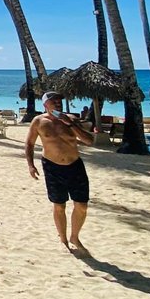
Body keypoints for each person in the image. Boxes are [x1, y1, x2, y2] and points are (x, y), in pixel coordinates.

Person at [24, 91, 94, 254]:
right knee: (59, 205)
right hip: (52, 167)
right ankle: (63, 239)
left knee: (82, 206)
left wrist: (70, 124)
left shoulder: (72, 119)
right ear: (45, 105)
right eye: (53, 101)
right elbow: (29, 144)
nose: (57, 103)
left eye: (59, 101)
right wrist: (31, 165)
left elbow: (89, 141)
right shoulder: (38, 121)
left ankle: (74, 237)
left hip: (74, 165)